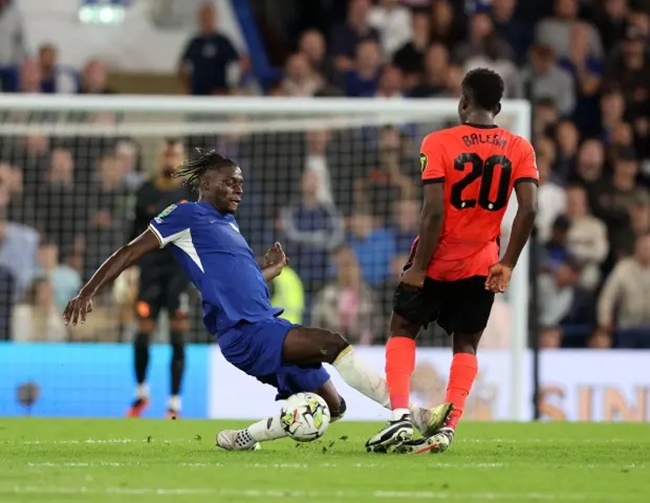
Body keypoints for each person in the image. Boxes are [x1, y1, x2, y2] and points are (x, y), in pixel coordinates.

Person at [63, 151, 450, 451]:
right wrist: (87, 291)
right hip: (245, 332)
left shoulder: (228, 224)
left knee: (333, 408)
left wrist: (268, 270)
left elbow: (236, 279)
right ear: (207, 182)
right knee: (332, 343)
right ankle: (410, 414)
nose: (238, 189)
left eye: (241, 184)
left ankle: (245, 436)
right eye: (231, 182)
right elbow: (129, 251)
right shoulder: (184, 216)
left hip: (267, 324)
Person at [366, 68, 538, 454]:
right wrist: (507, 262)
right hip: (483, 262)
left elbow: (432, 214)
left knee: (402, 327)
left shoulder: (438, 142)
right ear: (498, 106)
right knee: (467, 343)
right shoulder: (519, 148)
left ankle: (399, 417)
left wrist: (421, 266)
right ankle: (448, 427)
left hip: (438, 258)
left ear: (463, 101)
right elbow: (528, 210)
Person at [126, 139, 193, 419]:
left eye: (175, 155)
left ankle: (175, 403)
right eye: (166, 154)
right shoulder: (146, 191)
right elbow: (132, 231)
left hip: (179, 271)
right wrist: (129, 268)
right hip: (150, 270)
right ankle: (141, 392)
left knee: (178, 332)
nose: (170, 160)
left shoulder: (191, 191)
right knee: (143, 331)